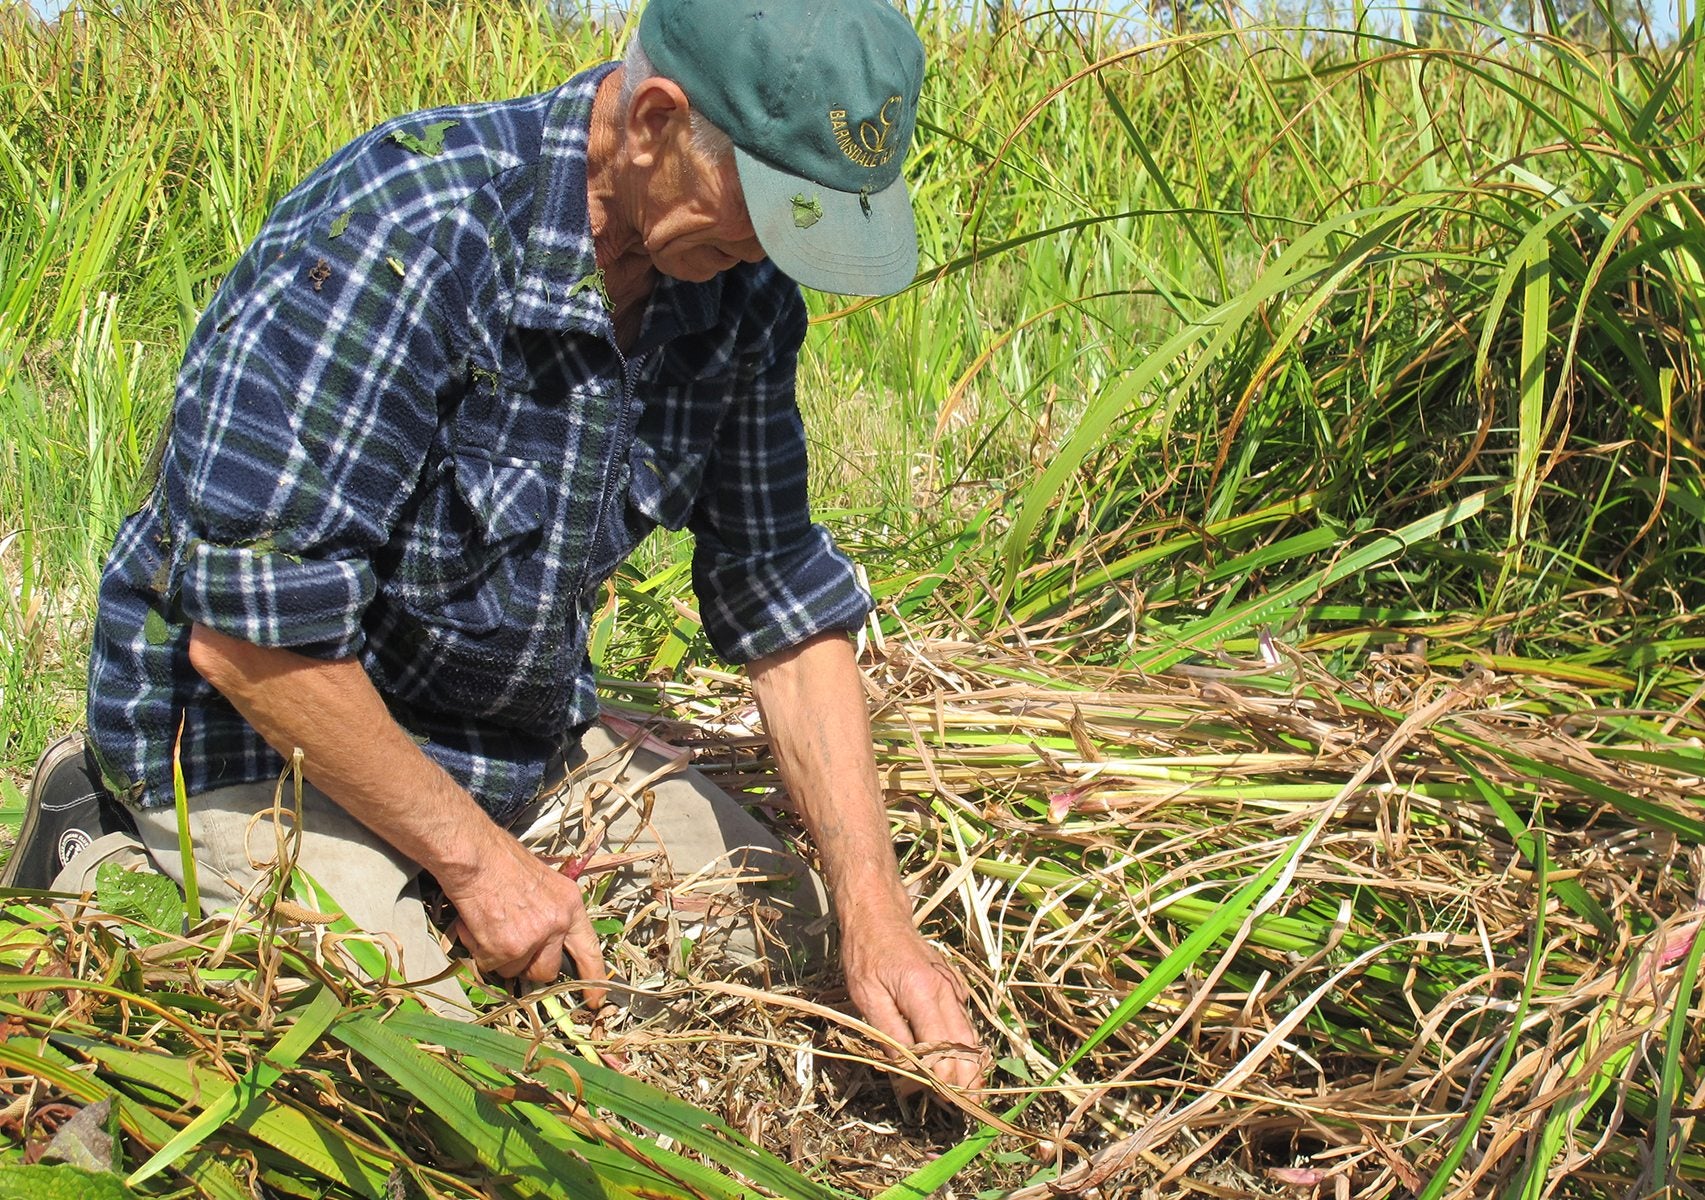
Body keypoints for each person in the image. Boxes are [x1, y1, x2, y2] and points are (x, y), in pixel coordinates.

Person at [2, 0, 985, 1092]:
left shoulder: (736, 291)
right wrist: (480, 866)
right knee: (427, 1079)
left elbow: (782, 601)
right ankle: (106, 857)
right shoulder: (410, 227)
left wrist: (877, 916)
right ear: (655, 120)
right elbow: (249, 643)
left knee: (796, 962)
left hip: (502, 740)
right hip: (262, 741)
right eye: (763, 208)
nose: (766, 250)